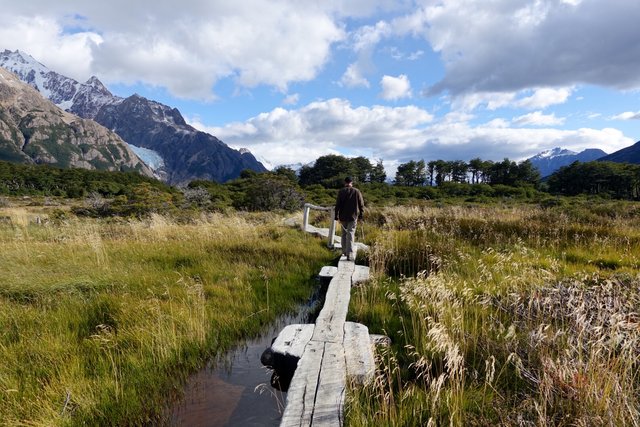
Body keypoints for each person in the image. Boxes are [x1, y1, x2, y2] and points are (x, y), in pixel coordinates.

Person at [334, 176, 364, 261]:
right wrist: (361, 215)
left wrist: (336, 216)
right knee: (350, 233)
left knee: (343, 234)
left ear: (345, 182)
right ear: (351, 183)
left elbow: (337, 205)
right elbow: (361, 204)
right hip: (353, 216)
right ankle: (349, 253)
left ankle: (344, 251)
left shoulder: (341, 191)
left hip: (342, 216)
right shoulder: (357, 191)